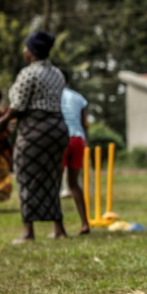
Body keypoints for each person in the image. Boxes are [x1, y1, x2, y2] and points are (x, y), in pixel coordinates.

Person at [0, 30, 70, 244]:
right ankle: (59, 228)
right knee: (52, 177)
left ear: (33, 52)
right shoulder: (57, 73)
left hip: (36, 130)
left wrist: (2, 121)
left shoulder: (29, 73)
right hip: (58, 128)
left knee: (26, 175)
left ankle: (28, 232)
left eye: (26, 47)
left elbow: (18, 106)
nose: (23, 51)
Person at [60, 71, 92, 233]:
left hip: (62, 139)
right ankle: (85, 223)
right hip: (78, 140)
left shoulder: (53, 97)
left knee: (55, 183)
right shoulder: (78, 97)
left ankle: (59, 229)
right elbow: (84, 123)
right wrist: (87, 143)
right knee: (74, 184)